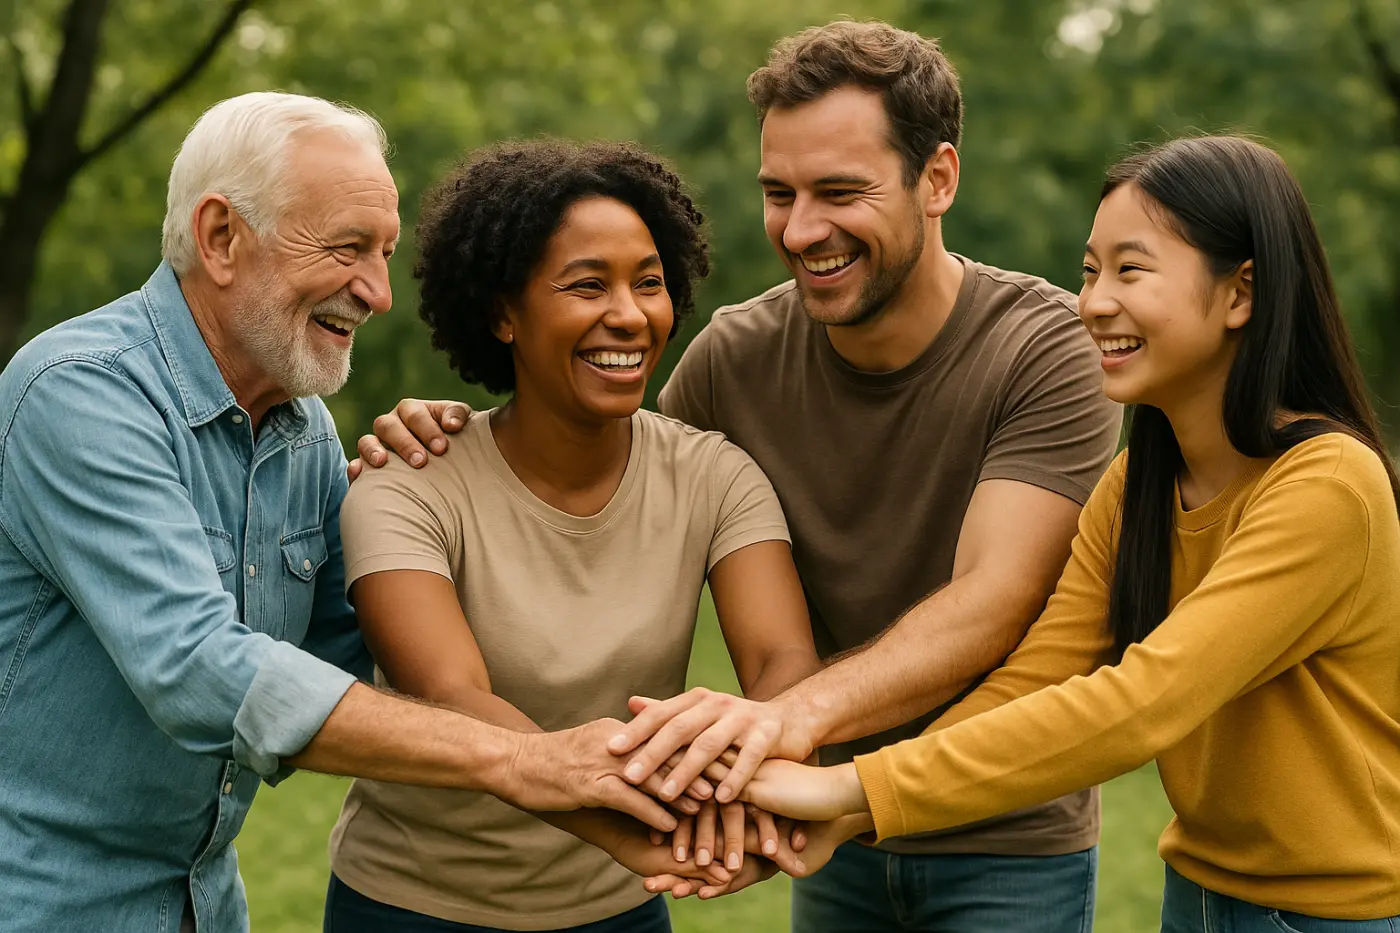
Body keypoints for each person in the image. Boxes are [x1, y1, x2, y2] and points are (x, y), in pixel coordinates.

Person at [353, 20, 1122, 930]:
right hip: (821, 826)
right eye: (778, 192)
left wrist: (784, 722)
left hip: (1000, 831)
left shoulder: (1045, 347)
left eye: (840, 191)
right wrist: (440, 427)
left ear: (939, 179)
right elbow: (605, 457)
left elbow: (994, 597)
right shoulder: (735, 358)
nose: (802, 229)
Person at [0, 93, 684, 933]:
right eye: (349, 248)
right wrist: (526, 760)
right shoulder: (78, 392)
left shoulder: (304, 432)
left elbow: (362, 653)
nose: (378, 292)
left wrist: (460, 484)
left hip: (203, 905)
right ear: (221, 238)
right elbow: (198, 669)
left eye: (386, 253)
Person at [713, 135, 1400, 932]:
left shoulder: (1326, 486)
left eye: (1130, 270)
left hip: (1332, 916)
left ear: (1241, 292)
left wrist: (852, 789)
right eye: (1089, 271)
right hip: (1199, 897)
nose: (1094, 302)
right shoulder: (1138, 481)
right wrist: (863, 799)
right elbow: (1033, 678)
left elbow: (1145, 701)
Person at [322, 138, 820, 933]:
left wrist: (748, 785)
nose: (628, 314)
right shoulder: (409, 483)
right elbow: (453, 695)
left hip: (618, 912)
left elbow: (780, 663)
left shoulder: (716, 476)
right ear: (503, 313)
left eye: (649, 283)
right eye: (587, 284)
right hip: (415, 906)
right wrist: (646, 832)